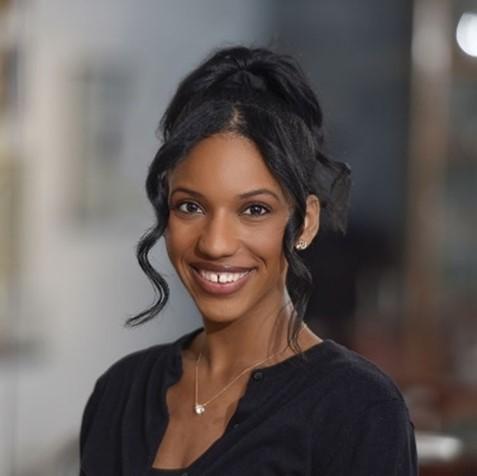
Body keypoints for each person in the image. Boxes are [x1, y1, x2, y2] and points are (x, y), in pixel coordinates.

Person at [79, 45, 418, 476]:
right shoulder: (121, 392)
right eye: (190, 207)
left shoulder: (357, 407)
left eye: (254, 210)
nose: (216, 243)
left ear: (306, 221)